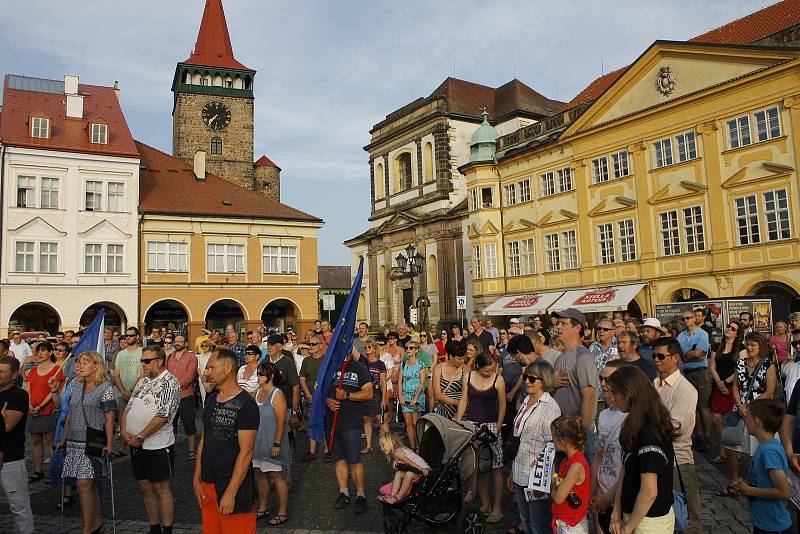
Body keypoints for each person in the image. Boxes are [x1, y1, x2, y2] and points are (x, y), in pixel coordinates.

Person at [193, 348, 259, 533]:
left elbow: (246, 452)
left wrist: (231, 492)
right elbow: (205, 438)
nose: (207, 374)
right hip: (208, 484)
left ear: (228, 367)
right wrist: (197, 477)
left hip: (233, 486)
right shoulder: (212, 398)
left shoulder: (246, 405)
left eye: (212, 368)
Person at [607, 365, 679, 534]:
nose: (613, 398)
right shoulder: (634, 423)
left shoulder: (649, 431)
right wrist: (616, 512)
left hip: (649, 522)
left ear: (628, 393)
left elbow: (649, 491)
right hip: (633, 514)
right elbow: (625, 469)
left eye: (615, 393)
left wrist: (629, 527)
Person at [121, 344, 181, 534]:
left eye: (146, 361)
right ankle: (154, 527)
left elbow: (163, 416)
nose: (143, 364)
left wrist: (140, 436)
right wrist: (123, 430)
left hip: (157, 444)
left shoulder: (170, 382)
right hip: (136, 444)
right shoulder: (143, 381)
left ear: (159, 360)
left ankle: (167, 528)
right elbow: (128, 407)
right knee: (145, 486)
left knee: (160, 487)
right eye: (142, 361)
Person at [57, 352, 116, 534]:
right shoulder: (75, 386)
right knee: (88, 486)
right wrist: (63, 439)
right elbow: (70, 414)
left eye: (84, 363)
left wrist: (110, 443)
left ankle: (86, 529)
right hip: (74, 442)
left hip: (92, 443)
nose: (79, 366)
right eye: (78, 363)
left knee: (84, 485)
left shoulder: (106, 388)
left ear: (96, 366)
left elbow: (109, 418)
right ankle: (96, 523)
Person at [652, 338, 702, 534]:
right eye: (654, 355)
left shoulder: (685, 389)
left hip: (677, 461)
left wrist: (647, 425)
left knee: (685, 517)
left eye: (661, 356)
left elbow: (675, 428)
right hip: (658, 458)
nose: (656, 360)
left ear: (675, 358)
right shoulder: (655, 383)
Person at [507, 361, 560, 534]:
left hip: (536, 477)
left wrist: (543, 482)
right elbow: (519, 437)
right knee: (526, 519)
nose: (527, 381)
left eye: (532, 378)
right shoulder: (526, 400)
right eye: (525, 377)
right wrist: (512, 472)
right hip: (520, 470)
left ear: (544, 381)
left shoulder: (551, 408)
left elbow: (551, 447)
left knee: (539, 524)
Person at [721, 332, 778, 496]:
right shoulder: (740, 363)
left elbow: (770, 391)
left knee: (756, 448)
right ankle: (734, 481)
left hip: (759, 410)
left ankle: (757, 483)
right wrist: (740, 404)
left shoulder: (768, 365)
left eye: (754, 345)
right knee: (731, 444)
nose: (750, 347)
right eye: (748, 344)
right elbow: (736, 386)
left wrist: (749, 405)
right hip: (740, 409)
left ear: (760, 346)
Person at [455, 352, 506, 523]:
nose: (490, 373)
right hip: (472, 424)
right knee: (479, 467)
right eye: (486, 371)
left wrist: (498, 426)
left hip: (491, 425)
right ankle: (485, 504)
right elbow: (464, 400)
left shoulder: (498, 380)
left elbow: (502, 404)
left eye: (492, 370)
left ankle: (497, 507)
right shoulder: (468, 376)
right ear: (478, 366)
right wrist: (458, 420)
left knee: (496, 468)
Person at [731, 399, 792, 534]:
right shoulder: (765, 447)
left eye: (747, 417)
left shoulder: (769, 452)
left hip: (773, 526)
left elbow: (784, 492)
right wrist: (746, 487)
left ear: (756, 421)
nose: (745, 421)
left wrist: (749, 490)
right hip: (764, 522)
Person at [325, 347, 373, 513]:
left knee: (354, 460)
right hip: (332, 422)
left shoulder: (359, 368)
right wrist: (327, 401)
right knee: (338, 459)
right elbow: (320, 391)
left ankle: (361, 495)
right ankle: (343, 492)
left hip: (351, 422)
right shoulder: (329, 367)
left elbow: (368, 393)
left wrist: (347, 396)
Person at [551, 309, 599, 463]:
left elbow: (590, 396)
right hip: (563, 432)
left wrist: (582, 435)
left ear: (577, 328)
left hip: (577, 434)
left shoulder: (582, 356)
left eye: (563, 323)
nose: (558, 327)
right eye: (557, 323)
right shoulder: (560, 358)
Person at [252, 360, 291, 526]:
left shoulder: (277, 395)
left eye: (261, 374)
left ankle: (283, 512)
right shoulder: (257, 393)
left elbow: (281, 422)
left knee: (277, 477)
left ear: (271, 375)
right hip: (258, 442)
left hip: (273, 441)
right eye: (257, 373)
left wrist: (276, 444)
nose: (258, 377)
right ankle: (263, 507)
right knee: (260, 475)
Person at [590, 360, 626, 534]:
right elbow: (599, 456)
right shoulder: (603, 414)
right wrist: (592, 492)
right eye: (601, 378)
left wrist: (608, 498)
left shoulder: (631, 417)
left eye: (609, 379)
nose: (603, 383)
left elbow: (629, 467)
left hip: (620, 498)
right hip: (601, 494)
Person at [0, 355, 34, 533]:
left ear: (14, 375)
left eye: (1, 371)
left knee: (18, 507)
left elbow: (6, 426)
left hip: (10, 460)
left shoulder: (19, 395)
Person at [24, 341, 62, 482]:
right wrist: (29, 405)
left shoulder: (57, 369)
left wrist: (41, 406)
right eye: (38, 351)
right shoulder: (33, 370)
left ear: (50, 352)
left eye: (43, 351)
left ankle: (53, 471)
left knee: (50, 441)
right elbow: (28, 388)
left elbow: (54, 390)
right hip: (32, 409)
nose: (40, 353)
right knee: (35, 440)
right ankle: (38, 470)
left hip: (47, 409)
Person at [708, 321, 745, 464]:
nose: (729, 329)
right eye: (728, 326)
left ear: (737, 332)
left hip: (733, 386)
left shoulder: (741, 348)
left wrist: (726, 382)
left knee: (732, 420)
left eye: (733, 328)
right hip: (719, 386)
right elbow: (712, 366)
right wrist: (719, 383)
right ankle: (723, 450)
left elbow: (739, 369)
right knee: (716, 419)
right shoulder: (717, 346)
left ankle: (735, 451)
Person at [676, 309, 711, 452]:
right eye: (683, 319)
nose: (686, 321)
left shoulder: (703, 334)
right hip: (686, 372)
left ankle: (707, 437)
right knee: (691, 407)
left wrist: (688, 354)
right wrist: (690, 353)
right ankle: (697, 434)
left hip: (699, 372)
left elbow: (700, 353)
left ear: (694, 318)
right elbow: (680, 355)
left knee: (702, 406)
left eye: (688, 318)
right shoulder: (680, 336)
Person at [550, 416, 590, 534]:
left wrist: (552, 488)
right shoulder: (567, 461)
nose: (552, 441)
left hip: (573, 525)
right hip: (565, 521)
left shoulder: (576, 466)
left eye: (553, 438)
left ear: (563, 441)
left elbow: (558, 498)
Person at [166, 334, 198, 460]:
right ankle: (171, 449)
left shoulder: (191, 357)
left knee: (189, 424)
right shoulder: (169, 357)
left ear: (185, 343)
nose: (178, 343)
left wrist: (174, 386)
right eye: (176, 341)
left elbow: (189, 376)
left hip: (185, 396)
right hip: (171, 397)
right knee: (170, 424)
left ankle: (191, 450)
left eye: (181, 341)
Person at [113, 327, 144, 457]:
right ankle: (123, 446)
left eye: (131, 335)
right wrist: (122, 391)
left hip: (138, 393)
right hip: (122, 393)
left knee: (138, 419)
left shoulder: (142, 352)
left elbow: (143, 374)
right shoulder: (121, 354)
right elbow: (116, 375)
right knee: (122, 420)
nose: (128, 337)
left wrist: (131, 390)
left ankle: (138, 442)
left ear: (137, 337)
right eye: (127, 335)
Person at [376, 431, 430, 504]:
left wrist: (422, 470)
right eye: (381, 446)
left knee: (409, 474)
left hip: (424, 471)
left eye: (383, 445)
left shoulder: (398, 453)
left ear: (392, 442)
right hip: (417, 470)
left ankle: (398, 497)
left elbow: (411, 463)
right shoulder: (399, 450)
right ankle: (392, 495)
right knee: (399, 473)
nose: (382, 449)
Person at [299, 335, 325, 462]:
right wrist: (308, 394)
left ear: (321, 345)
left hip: (323, 397)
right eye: (310, 344)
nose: (311, 346)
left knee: (325, 423)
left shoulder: (326, 360)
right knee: (311, 424)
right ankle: (312, 451)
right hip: (309, 397)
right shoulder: (306, 361)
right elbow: (302, 378)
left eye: (314, 344)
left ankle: (327, 451)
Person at [398, 342, 428, 448]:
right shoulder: (403, 364)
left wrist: (415, 398)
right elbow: (400, 381)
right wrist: (400, 396)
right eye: (406, 348)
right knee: (408, 423)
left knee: (416, 423)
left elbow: (422, 382)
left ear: (416, 350)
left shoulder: (421, 364)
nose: (408, 349)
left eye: (411, 348)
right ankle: (413, 447)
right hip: (405, 396)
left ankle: (420, 446)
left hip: (417, 396)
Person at [362, 340, 388, 453]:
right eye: (365, 347)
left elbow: (384, 383)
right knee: (366, 420)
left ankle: (388, 443)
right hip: (364, 395)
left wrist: (383, 399)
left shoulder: (380, 364)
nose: (367, 349)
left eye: (369, 347)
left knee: (381, 420)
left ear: (374, 349)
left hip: (376, 395)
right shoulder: (362, 362)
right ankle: (368, 446)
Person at [432, 340, 465, 419]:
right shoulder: (439, 368)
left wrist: (461, 405)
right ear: (451, 356)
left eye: (463, 358)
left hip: (461, 414)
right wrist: (457, 403)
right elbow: (438, 394)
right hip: (443, 413)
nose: (462, 361)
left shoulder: (466, 369)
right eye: (459, 359)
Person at [196, 340, 214, 407]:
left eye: (206, 346)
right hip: (201, 379)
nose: (204, 347)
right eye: (203, 346)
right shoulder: (198, 356)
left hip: (211, 378)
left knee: (211, 396)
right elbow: (198, 368)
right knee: (203, 395)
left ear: (209, 347)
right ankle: (204, 409)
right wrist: (201, 377)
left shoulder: (212, 356)